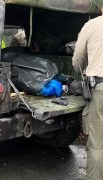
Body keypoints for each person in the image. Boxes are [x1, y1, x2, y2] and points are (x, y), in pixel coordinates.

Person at [72, 1, 103, 179]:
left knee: (98, 143)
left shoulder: (92, 25)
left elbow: (77, 60)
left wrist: (81, 71)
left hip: (100, 88)